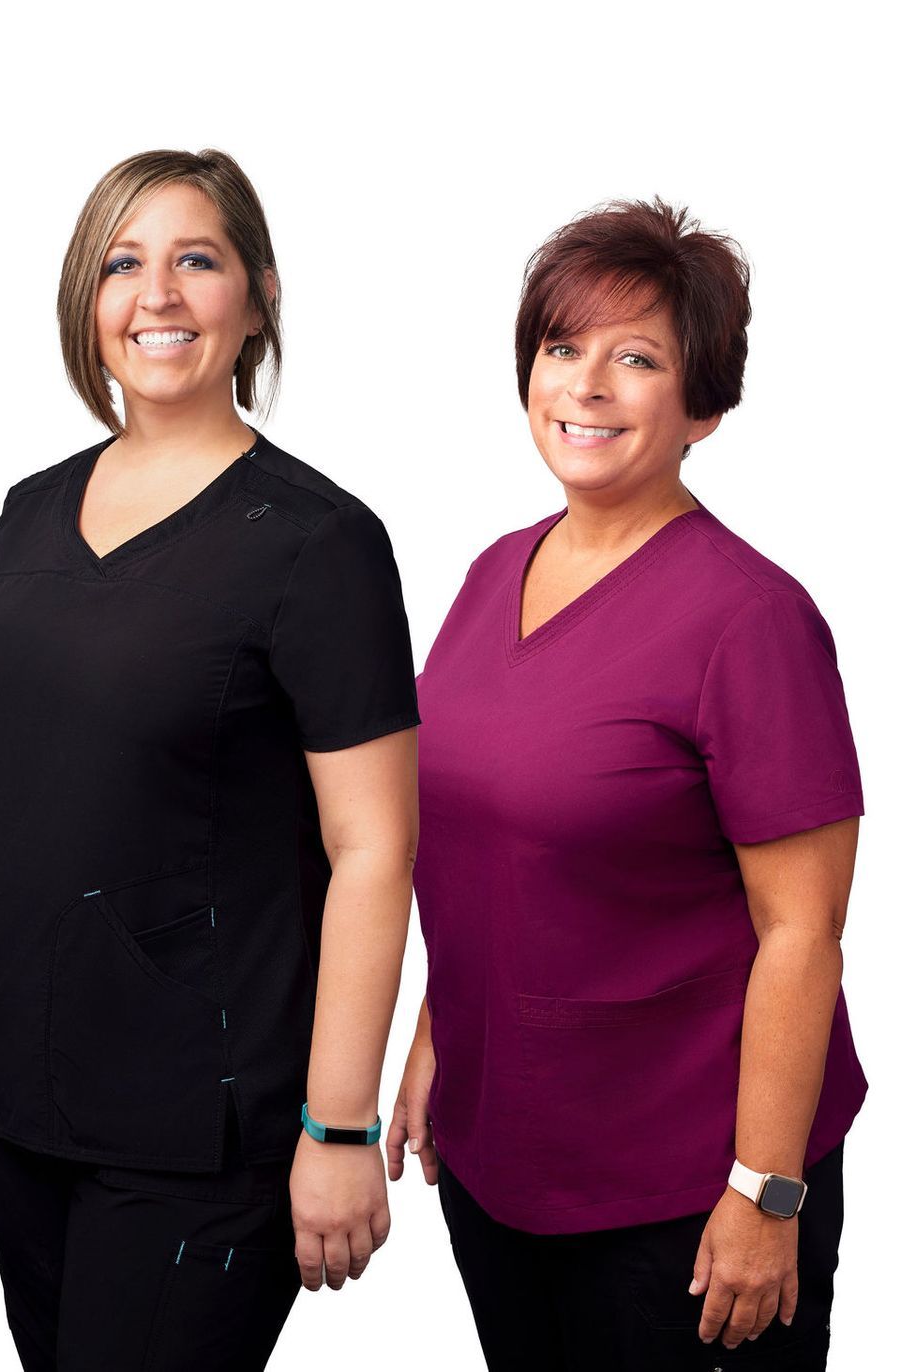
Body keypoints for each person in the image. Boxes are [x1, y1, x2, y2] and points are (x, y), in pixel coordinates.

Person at [0, 149, 420, 1371]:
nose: (159, 295)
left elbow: (374, 845)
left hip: (204, 1117)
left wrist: (339, 1124)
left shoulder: (320, 543)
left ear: (259, 294)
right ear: (89, 302)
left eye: (198, 259)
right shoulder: (31, 508)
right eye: (123, 265)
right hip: (23, 1095)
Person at [389, 199, 865, 1369]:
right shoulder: (495, 567)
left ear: (703, 405)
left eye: (637, 358)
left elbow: (802, 934)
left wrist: (768, 1193)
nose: (587, 384)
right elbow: (476, 835)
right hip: (503, 1164)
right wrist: (438, 1027)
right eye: (564, 348)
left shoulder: (751, 619)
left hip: (686, 1200)